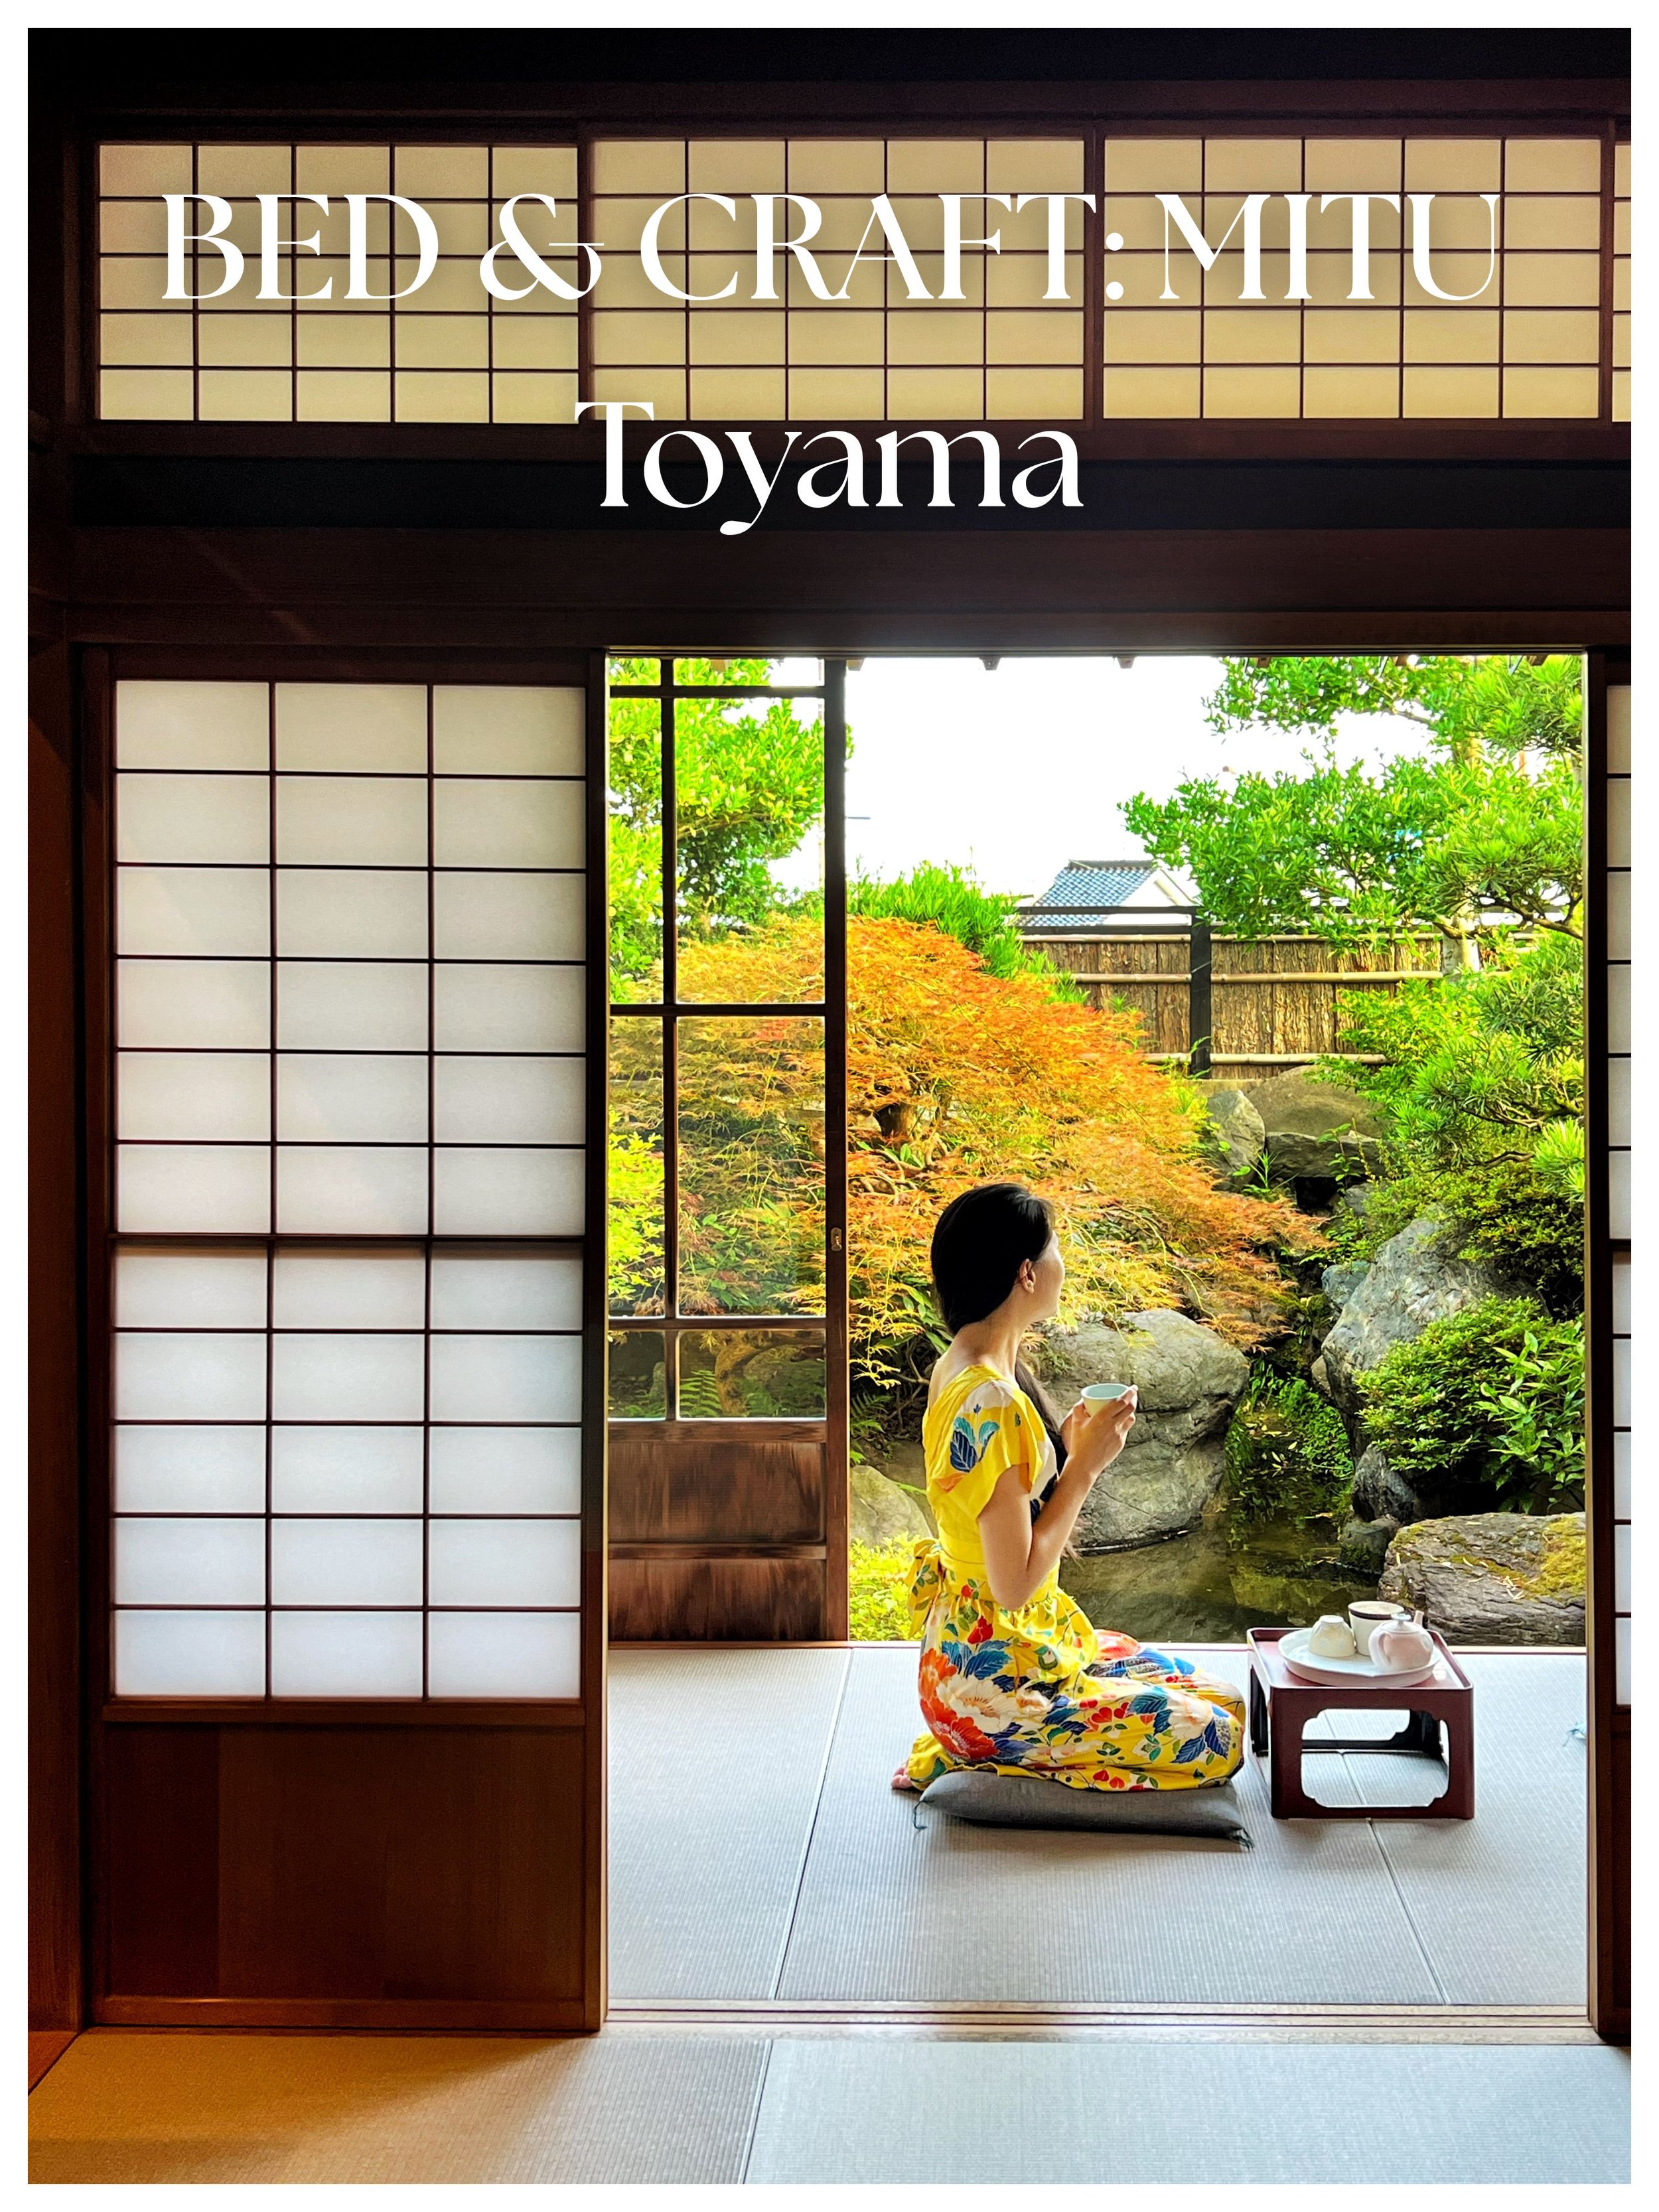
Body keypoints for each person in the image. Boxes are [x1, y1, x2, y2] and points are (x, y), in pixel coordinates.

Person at [894, 1181, 1245, 1795]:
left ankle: (979, 1745)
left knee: (1228, 1700)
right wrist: (1083, 1468)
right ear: (1026, 1273)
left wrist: (1067, 1443)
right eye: (1054, 1247)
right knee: (1219, 1736)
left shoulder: (970, 1365)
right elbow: (1014, 1582)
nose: (1063, 1259)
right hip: (997, 1684)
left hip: (1008, 1649)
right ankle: (979, 1750)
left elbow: (997, 1499)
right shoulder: (990, 1398)